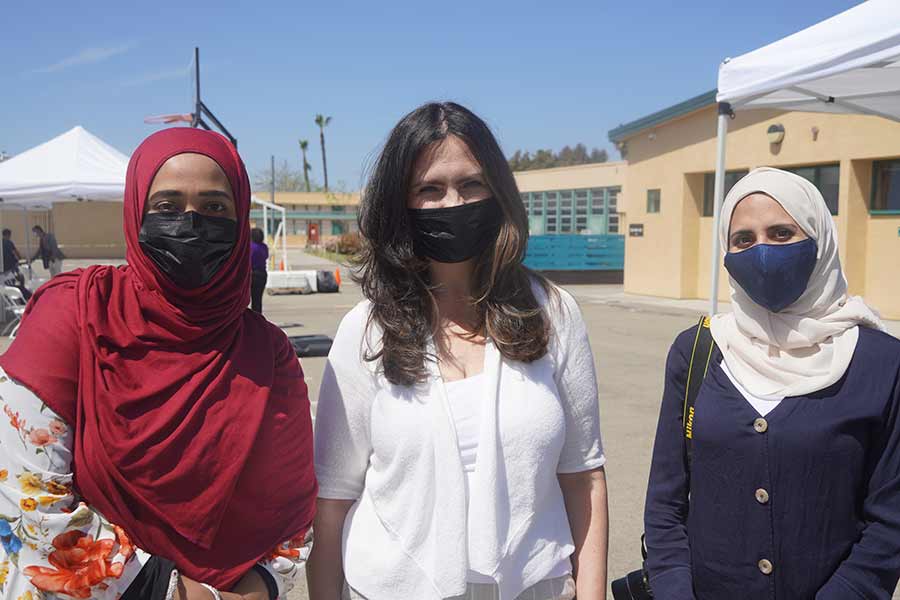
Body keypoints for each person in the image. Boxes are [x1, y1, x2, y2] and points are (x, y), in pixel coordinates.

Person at [307, 102, 609, 600]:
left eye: (471, 184)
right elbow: (333, 498)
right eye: (430, 189)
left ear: (498, 191)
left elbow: (584, 477)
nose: (453, 203)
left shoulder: (553, 312)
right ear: (399, 203)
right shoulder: (365, 331)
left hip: (534, 587)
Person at [0, 128, 317, 600]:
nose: (191, 225)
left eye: (214, 208)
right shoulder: (72, 318)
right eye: (167, 207)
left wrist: (257, 590)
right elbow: (31, 506)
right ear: (135, 214)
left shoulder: (268, 354)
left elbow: (292, 516)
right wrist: (188, 596)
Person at [644, 167, 900, 599]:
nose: (761, 252)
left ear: (820, 240)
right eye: (743, 239)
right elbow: (665, 504)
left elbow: (890, 519)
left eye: (782, 233)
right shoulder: (699, 351)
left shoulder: (880, 362)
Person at [1, 228, 31, 300]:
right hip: (11, 265)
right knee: (19, 277)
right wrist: (20, 259)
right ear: (8, 235)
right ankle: (21, 294)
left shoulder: (1, 242)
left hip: (4, 267)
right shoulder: (9, 242)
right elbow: (16, 252)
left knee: (12, 279)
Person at [250, 227, 269, 313]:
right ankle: (257, 320)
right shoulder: (264, 247)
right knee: (257, 300)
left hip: (252, 274)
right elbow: (266, 256)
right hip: (262, 274)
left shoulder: (250, 246)